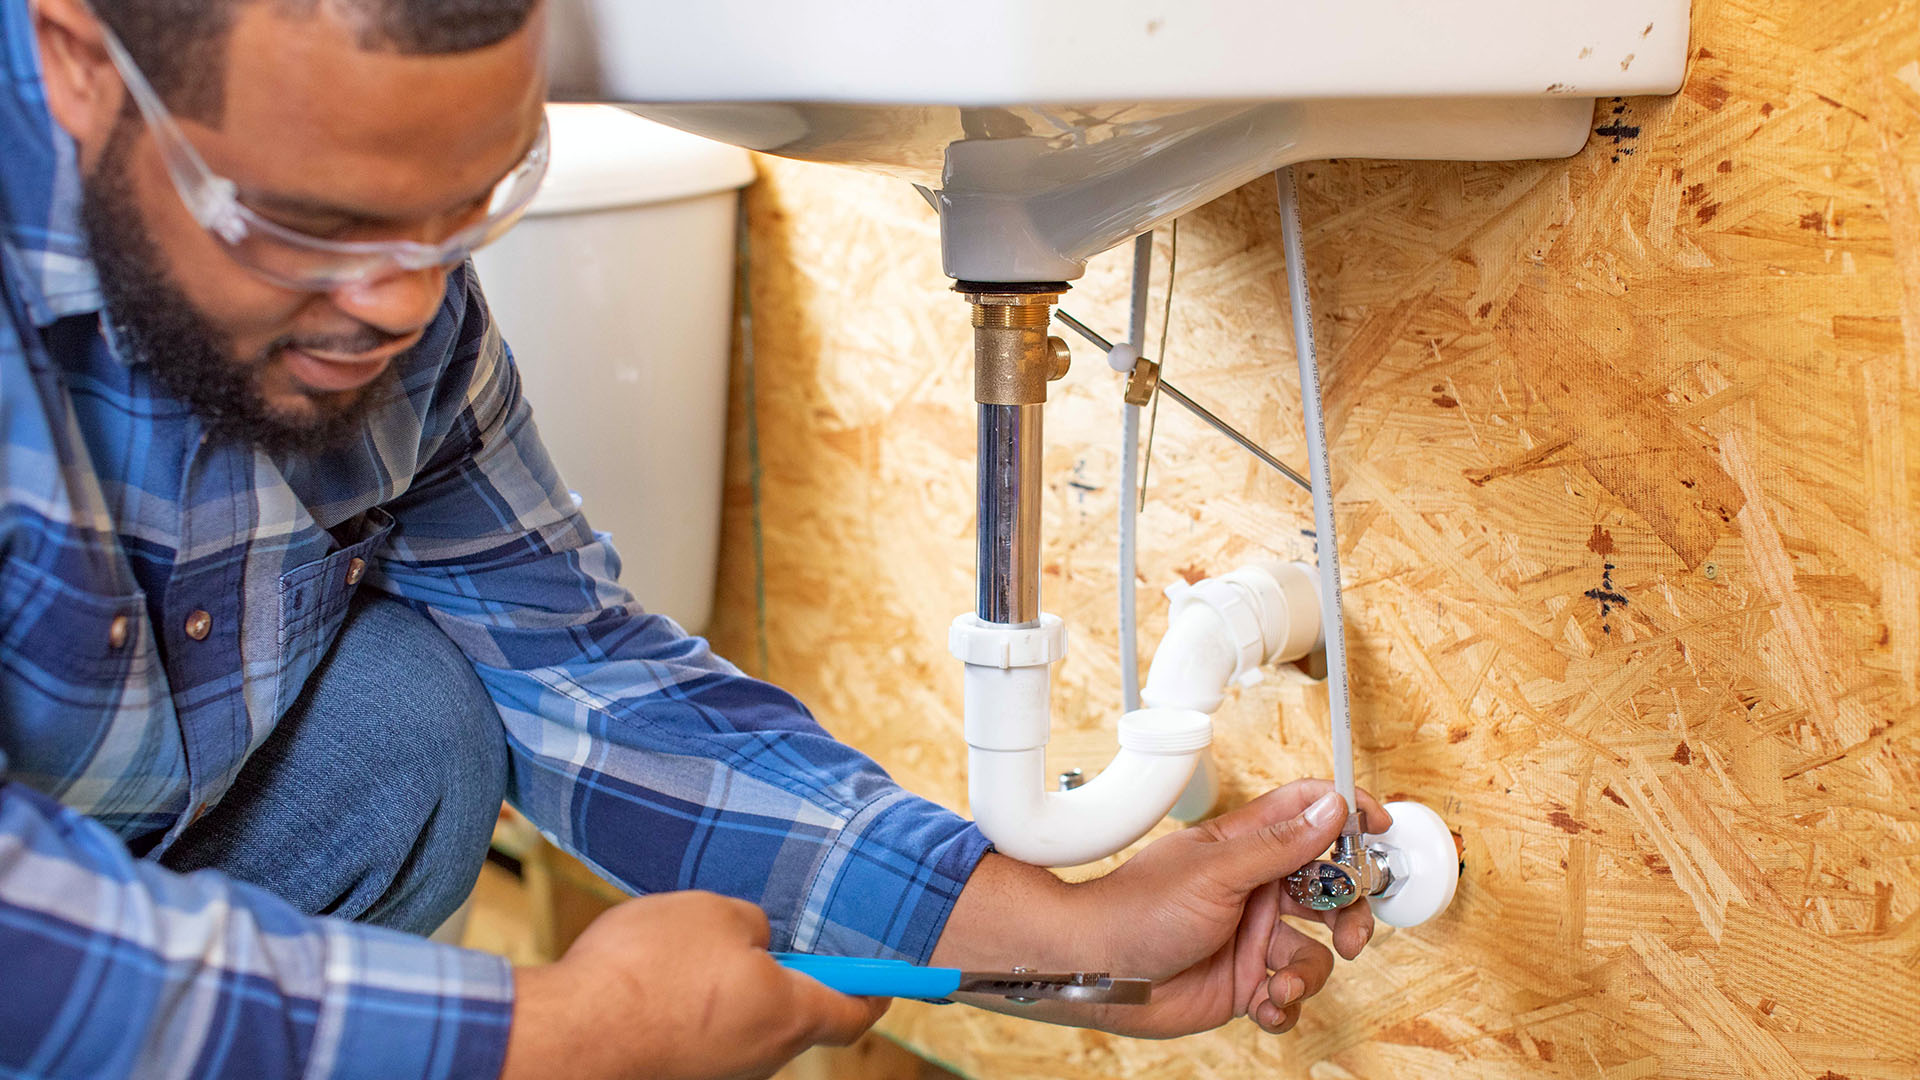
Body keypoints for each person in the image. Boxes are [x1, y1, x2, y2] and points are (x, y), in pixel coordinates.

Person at [0, 1, 1390, 1077]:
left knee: (405, 726)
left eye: (463, 210)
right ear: (76, 56)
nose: (402, 309)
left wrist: (1066, 944)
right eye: (314, 225)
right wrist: (556, 1039)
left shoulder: (381, 301)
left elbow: (578, 674)